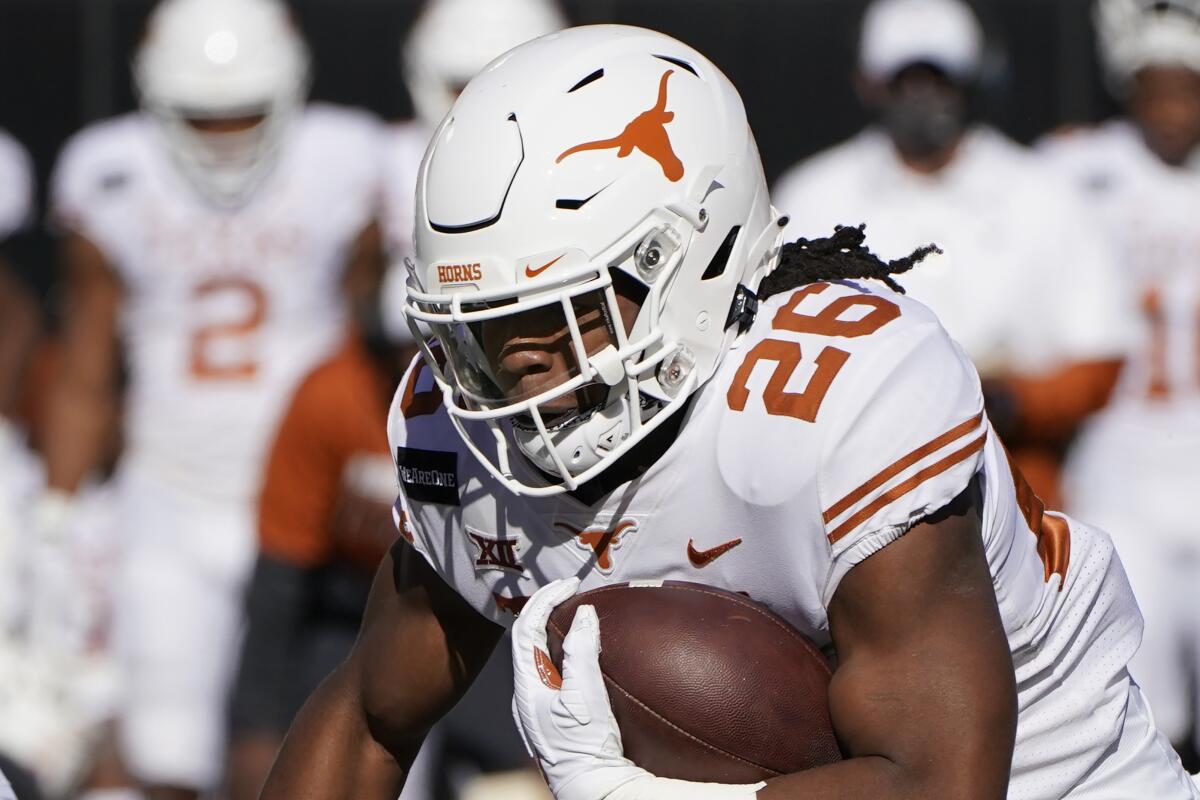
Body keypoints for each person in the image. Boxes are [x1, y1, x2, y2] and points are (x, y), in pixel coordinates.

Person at [262, 24, 1200, 800]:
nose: (521, 372)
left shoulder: (839, 394)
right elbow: (367, 717)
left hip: (1059, 779)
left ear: (697, 257)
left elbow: (940, 783)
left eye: (565, 313)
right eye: (485, 332)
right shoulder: (461, 430)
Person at [40, 0, 386, 796]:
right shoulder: (111, 170)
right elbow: (86, 369)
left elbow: (382, 342)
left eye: (243, 114)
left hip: (309, 505)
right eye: (202, 117)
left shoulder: (347, 158)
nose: (225, 138)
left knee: (325, 755)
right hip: (170, 494)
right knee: (167, 759)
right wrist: (56, 519)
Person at [771, 0, 1132, 507]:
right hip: (858, 481)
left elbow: (1100, 355)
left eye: (939, 80)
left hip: (1013, 475)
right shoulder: (814, 196)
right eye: (904, 81)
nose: (923, 98)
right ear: (869, 84)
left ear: (972, 82)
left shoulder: (1042, 193)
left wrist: (1006, 401)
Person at [1040, 0, 1200, 760]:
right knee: (1145, 708)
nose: (1174, 107)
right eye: (1158, 87)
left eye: (1189, 88)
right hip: (1121, 466)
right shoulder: (1076, 170)